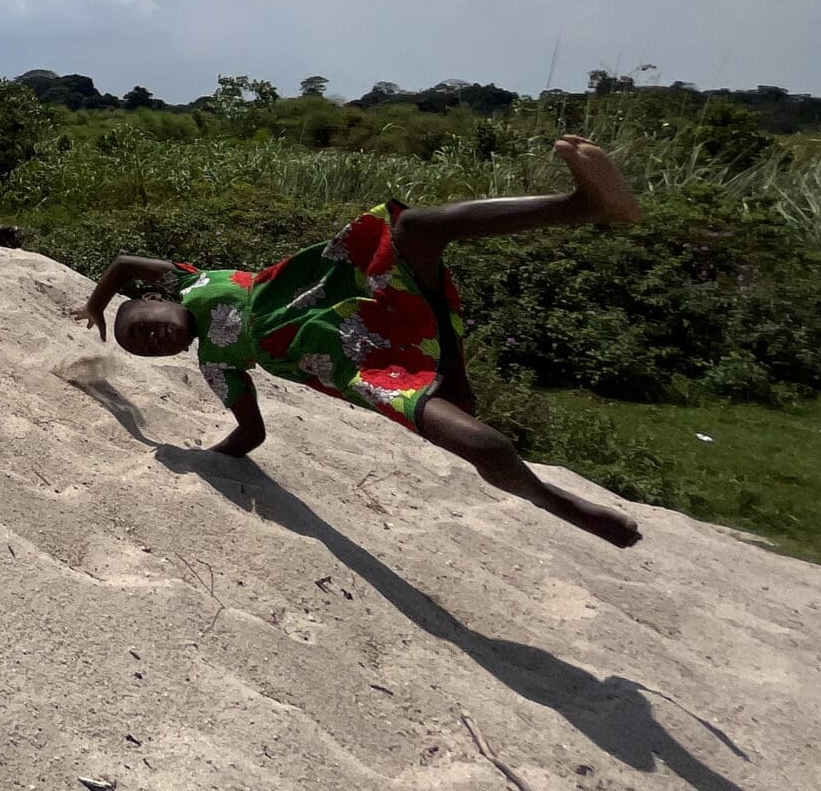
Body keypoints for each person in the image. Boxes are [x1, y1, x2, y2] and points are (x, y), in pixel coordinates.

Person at [70, 135, 645, 547]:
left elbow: (121, 262)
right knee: (481, 444)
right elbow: (252, 431)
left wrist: (97, 306)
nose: (151, 338)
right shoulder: (218, 364)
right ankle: (556, 501)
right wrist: (203, 459)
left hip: (349, 284)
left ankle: (585, 206)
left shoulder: (191, 280)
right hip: (359, 366)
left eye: (141, 324)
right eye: (146, 349)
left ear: (155, 293)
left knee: (416, 228)